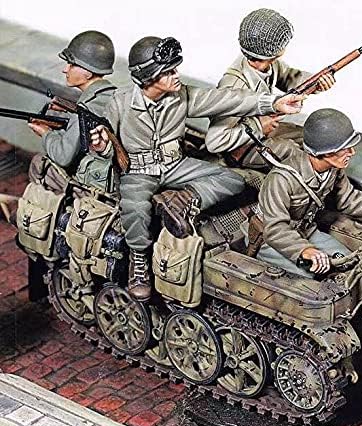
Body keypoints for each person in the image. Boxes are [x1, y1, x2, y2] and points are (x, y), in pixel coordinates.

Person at [91, 36, 305, 301]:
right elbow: (109, 144)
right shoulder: (120, 102)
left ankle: (183, 201)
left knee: (232, 180)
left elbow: (226, 99)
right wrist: (102, 147)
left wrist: (273, 103)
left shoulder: (181, 95)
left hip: (175, 164)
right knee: (135, 208)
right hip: (138, 170)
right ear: (149, 77)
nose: (176, 76)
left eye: (175, 69)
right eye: (169, 72)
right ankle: (139, 260)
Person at [250, 108, 362, 277]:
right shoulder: (281, 179)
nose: (352, 152)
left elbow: (347, 198)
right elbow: (274, 229)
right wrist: (304, 250)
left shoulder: (333, 169)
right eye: (344, 148)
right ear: (321, 153)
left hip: (305, 230)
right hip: (270, 241)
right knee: (313, 280)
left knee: (350, 264)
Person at [205, 8, 335, 169]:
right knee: (294, 154)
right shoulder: (233, 86)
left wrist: (316, 82)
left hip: (263, 131)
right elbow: (215, 141)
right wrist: (258, 126)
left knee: (311, 138)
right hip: (241, 148)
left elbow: (289, 77)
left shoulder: (268, 63)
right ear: (276, 50)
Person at [28, 31, 116, 193]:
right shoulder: (112, 95)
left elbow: (63, 157)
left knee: (39, 163)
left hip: (99, 186)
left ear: (88, 72)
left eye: (71, 64)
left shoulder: (86, 108)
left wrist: (45, 133)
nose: (65, 69)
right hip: (115, 176)